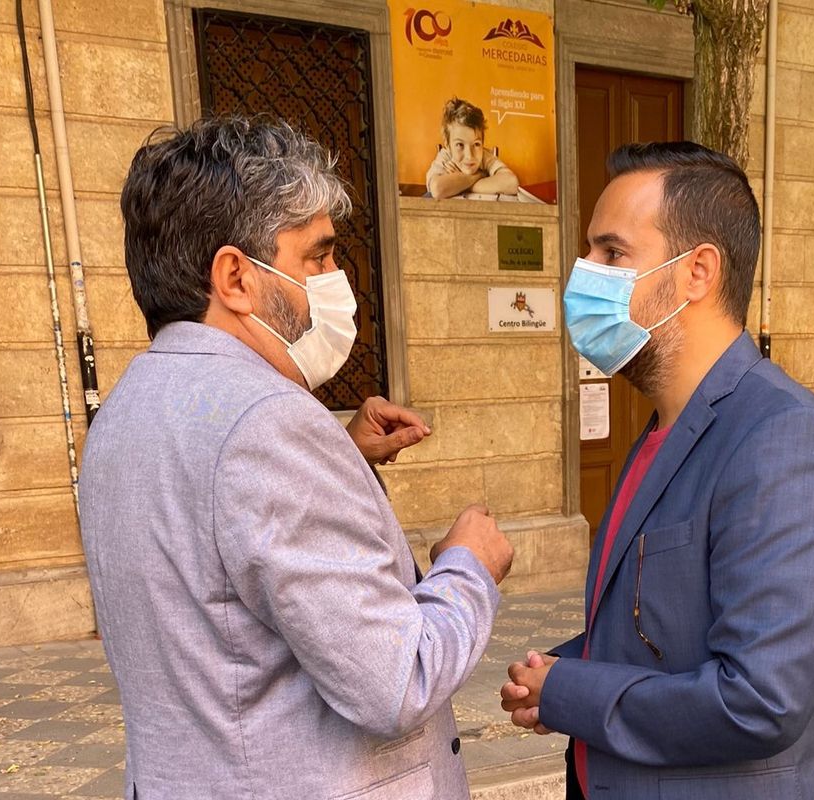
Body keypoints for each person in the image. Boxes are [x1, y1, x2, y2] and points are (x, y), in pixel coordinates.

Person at [80, 116, 513, 799]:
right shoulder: (269, 423)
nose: (336, 279)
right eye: (317, 257)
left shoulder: (126, 407)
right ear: (235, 277)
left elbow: (215, 558)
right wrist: (469, 567)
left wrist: (340, 456)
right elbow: (395, 681)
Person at [500, 142, 814, 799]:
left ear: (698, 272)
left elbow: (761, 699)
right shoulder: (663, 431)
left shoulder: (782, 438)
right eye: (589, 251)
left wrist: (573, 692)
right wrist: (560, 669)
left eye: (612, 253)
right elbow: (665, 629)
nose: (585, 275)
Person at [425, 97, 519, 199]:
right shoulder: (446, 156)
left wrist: (460, 184)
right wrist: (479, 175)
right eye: (460, 145)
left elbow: (512, 183)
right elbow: (438, 189)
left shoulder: (484, 156)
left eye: (476, 144)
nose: (469, 156)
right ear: (448, 145)